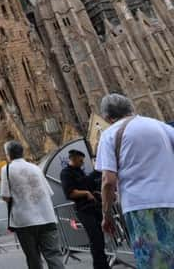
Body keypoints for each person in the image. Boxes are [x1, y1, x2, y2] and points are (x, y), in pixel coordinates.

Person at [96, 93, 174, 269]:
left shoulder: (109, 135)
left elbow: (108, 181)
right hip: (171, 200)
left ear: (107, 117)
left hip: (140, 207)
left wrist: (107, 215)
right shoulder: (160, 126)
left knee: (152, 262)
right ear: (132, 108)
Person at [0, 141, 64, 269]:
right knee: (54, 255)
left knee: (33, 257)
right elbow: (48, 192)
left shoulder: (6, 169)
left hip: (25, 221)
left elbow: (6, 196)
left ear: (8, 155)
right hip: (47, 217)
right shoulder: (35, 168)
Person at [60, 148, 110, 269]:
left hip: (94, 207)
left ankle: (103, 264)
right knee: (95, 238)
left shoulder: (80, 172)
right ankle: (100, 266)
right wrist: (86, 193)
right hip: (84, 209)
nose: (82, 163)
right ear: (74, 159)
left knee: (100, 239)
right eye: (81, 161)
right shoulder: (66, 173)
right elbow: (70, 193)